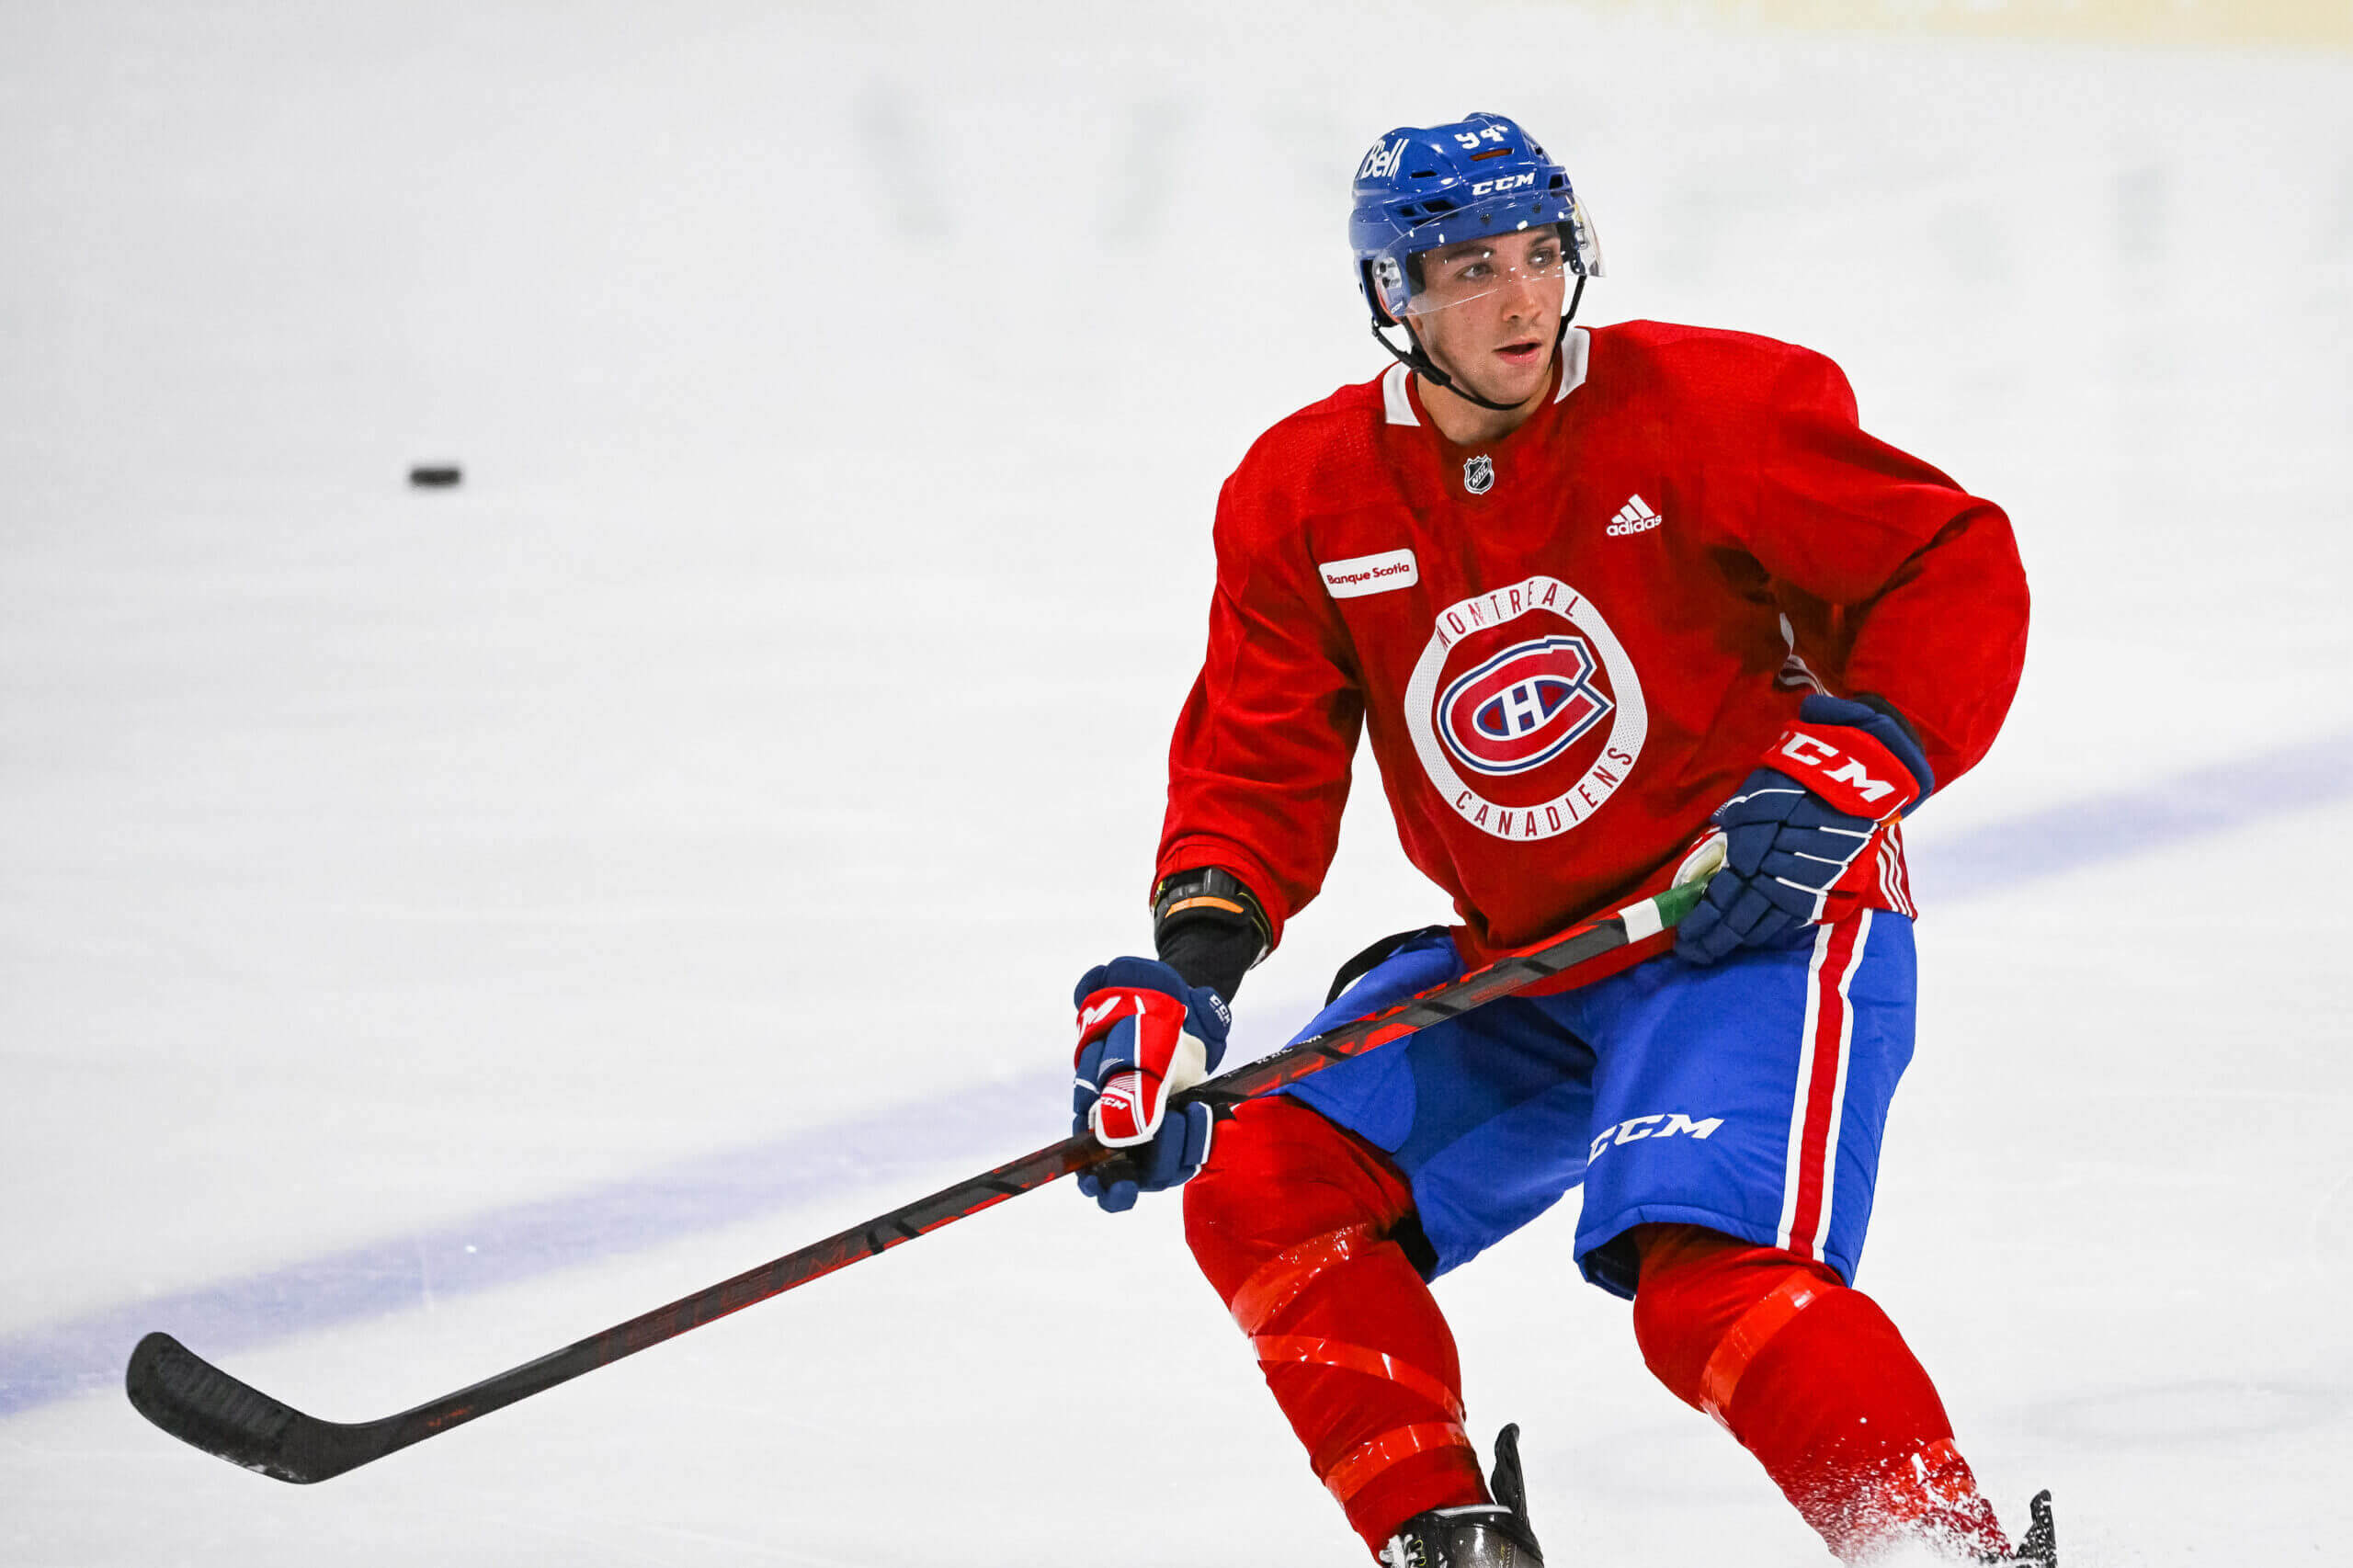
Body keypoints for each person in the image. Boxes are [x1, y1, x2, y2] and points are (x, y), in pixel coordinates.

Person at [1064, 112, 2048, 1566]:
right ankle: (1450, 1541)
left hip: (1749, 921)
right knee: (1265, 1179)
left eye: (1541, 253)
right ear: (1395, 294)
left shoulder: (1710, 405)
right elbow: (1256, 761)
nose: (1523, 298)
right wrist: (1187, 980)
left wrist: (1853, 764)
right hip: (1532, 956)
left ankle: (1941, 1554)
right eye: (1473, 268)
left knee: (1706, 1279)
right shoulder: (1304, 492)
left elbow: (1947, 558)